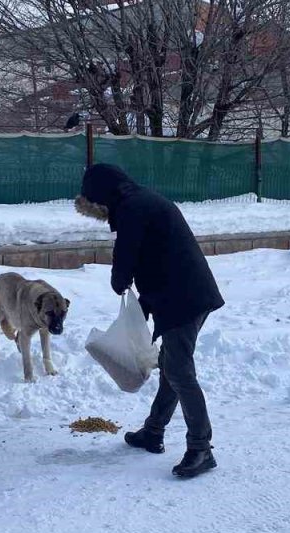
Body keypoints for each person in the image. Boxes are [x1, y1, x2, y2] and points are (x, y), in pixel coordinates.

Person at [76, 163, 225, 478]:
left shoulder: (132, 208)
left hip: (185, 297)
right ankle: (154, 431)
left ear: (104, 195)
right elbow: (156, 256)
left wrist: (120, 282)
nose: (101, 212)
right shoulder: (142, 201)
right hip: (183, 292)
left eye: (97, 204)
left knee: (180, 372)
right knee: (172, 367)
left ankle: (201, 448)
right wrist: (144, 303)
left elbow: (127, 256)